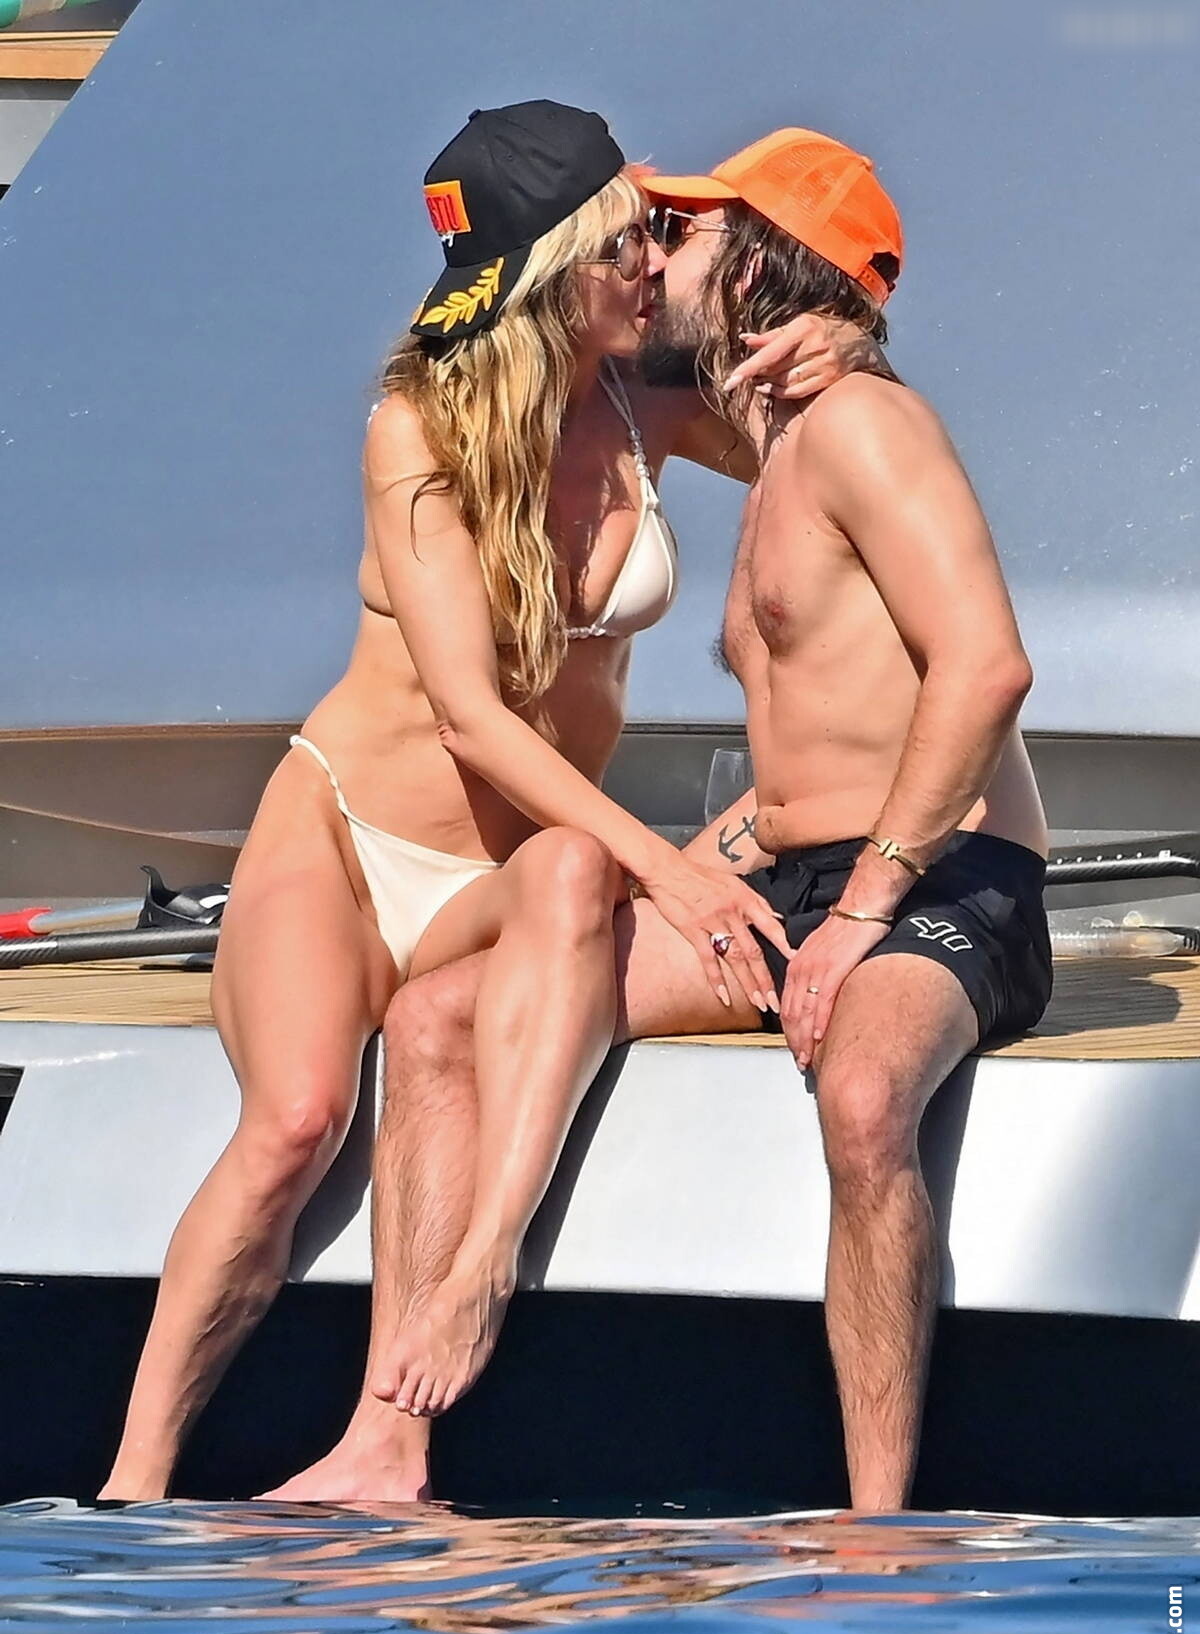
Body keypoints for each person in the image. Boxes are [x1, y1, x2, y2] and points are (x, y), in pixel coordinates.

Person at [100, 103, 876, 1501]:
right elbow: (467, 713)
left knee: (571, 869)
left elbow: (851, 452)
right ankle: (128, 1491)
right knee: (293, 1125)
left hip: (507, 871)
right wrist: (676, 872)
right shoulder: (419, 428)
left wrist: (838, 351)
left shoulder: (649, 404)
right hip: (350, 839)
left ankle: (405, 1405)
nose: (657, 260)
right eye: (633, 238)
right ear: (563, 271)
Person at [271, 128, 1051, 1513]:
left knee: (864, 1094)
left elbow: (987, 668)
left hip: (940, 874)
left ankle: (877, 1528)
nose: (650, 255)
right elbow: (521, 341)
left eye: (682, 234)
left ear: (754, 264)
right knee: (441, 1019)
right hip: (794, 873)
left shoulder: (864, 425)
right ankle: (387, 1443)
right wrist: (694, 877)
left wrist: (864, 908)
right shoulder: (758, 421)